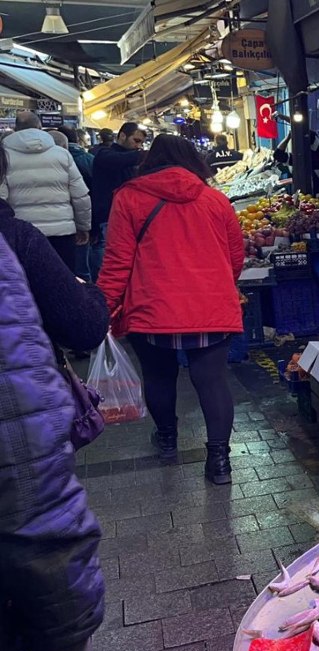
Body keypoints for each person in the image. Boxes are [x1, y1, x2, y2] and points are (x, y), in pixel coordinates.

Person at [0, 144, 108, 651]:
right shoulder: (15, 244)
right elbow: (26, 473)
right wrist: (67, 646)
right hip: (60, 245)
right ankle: (214, 453)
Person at [97, 135, 244, 485]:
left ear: (149, 161)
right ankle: (219, 461)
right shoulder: (215, 200)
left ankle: (166, 440)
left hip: (152, 309)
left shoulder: (129, 199)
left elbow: (118, 261)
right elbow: (234, 257)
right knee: (212, 381)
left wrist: (103, 306)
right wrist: (217, 284)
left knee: (159, 377)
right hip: (209, 307)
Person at [0, 111, 91, 268]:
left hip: (23, 234)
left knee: (30, 286)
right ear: (40, 127)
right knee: (65, 283)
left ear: (16, 128)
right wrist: (83, 226)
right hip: (62, 232)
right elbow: (80, 195)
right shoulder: (63, 154)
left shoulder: (5, 157)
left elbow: (2, 198)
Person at [89, 122, 146, 281]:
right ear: (122, 136)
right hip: (108, 217)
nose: (138, 145)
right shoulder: (104, 154)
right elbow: (118, 160)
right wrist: (147, 154)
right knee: (111, 262)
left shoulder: (130, 158)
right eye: (136, 140)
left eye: (141, 142)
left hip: (130, 218)